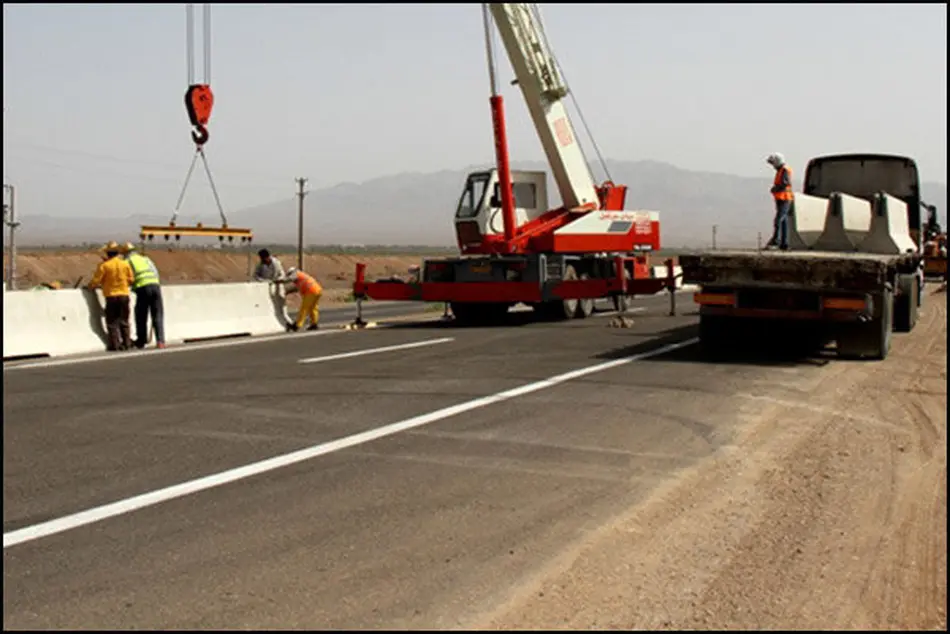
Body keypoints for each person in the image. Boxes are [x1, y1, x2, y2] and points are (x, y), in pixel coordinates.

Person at [87, 240, 135, 351]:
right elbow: (131, 279)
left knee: (112, 322)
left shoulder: (104, 266)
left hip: (111, 296)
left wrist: (90, 287)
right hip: (124, 295)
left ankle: (115, 345)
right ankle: (127, 343)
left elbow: (95, 281)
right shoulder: (125, 264)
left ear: (108, 253)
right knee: (124, 321)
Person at [123, 242, 166, 350]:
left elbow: (127, 277)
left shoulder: (127, 261)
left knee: (141, 315)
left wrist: (132, 286)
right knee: (158, 315)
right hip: (155, 286)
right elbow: (156, 272)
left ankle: (141, 341)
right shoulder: (146, 259)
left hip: (142, 288)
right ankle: (160, 341)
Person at [765, 152, 794, 250]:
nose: (772, 165)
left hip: (785, 198)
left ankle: (776, 241)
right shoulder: (780, 170)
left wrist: (775, 189)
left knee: (779, 220)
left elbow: (785, 183)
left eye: (773, 163)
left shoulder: (784, 170)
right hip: (781, 198)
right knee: (783, 221)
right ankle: (784, 243)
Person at [283, 266, 323, 331]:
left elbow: (290, 278)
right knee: (313, 308)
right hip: (317, 290)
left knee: (304, 309)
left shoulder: (297, 273)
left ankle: (297, 325)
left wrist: (281, 280)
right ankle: (314, 324)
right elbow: (295, 288)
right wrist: (287, 292)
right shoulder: (301, 278)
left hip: (311, 291)